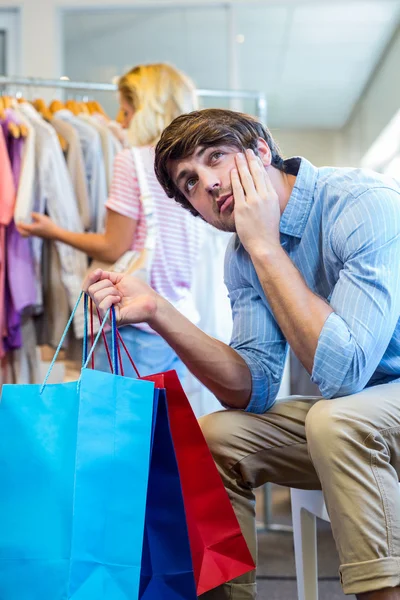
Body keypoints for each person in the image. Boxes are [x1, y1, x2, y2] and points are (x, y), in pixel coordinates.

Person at [84, 108, 400, 600]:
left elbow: (344, 376)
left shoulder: (361, 204)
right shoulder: (241, 257)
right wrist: (159, 313)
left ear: (260, 152)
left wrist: (266, 246)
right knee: (215, 434)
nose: (208, 184)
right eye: (190, 182)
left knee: (335, 420)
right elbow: (250, 390)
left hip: (368, 407)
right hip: (358, 416)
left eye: (216, 159)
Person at [18, 63, 202, 378]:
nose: (118, 121)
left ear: (145, 110)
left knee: (115, 424)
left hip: (133, 324)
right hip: (178, 321)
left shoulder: (133, 160)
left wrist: (53, 231)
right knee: (163, 422)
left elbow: (112, 246)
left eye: (125, 112)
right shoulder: (197, 164)